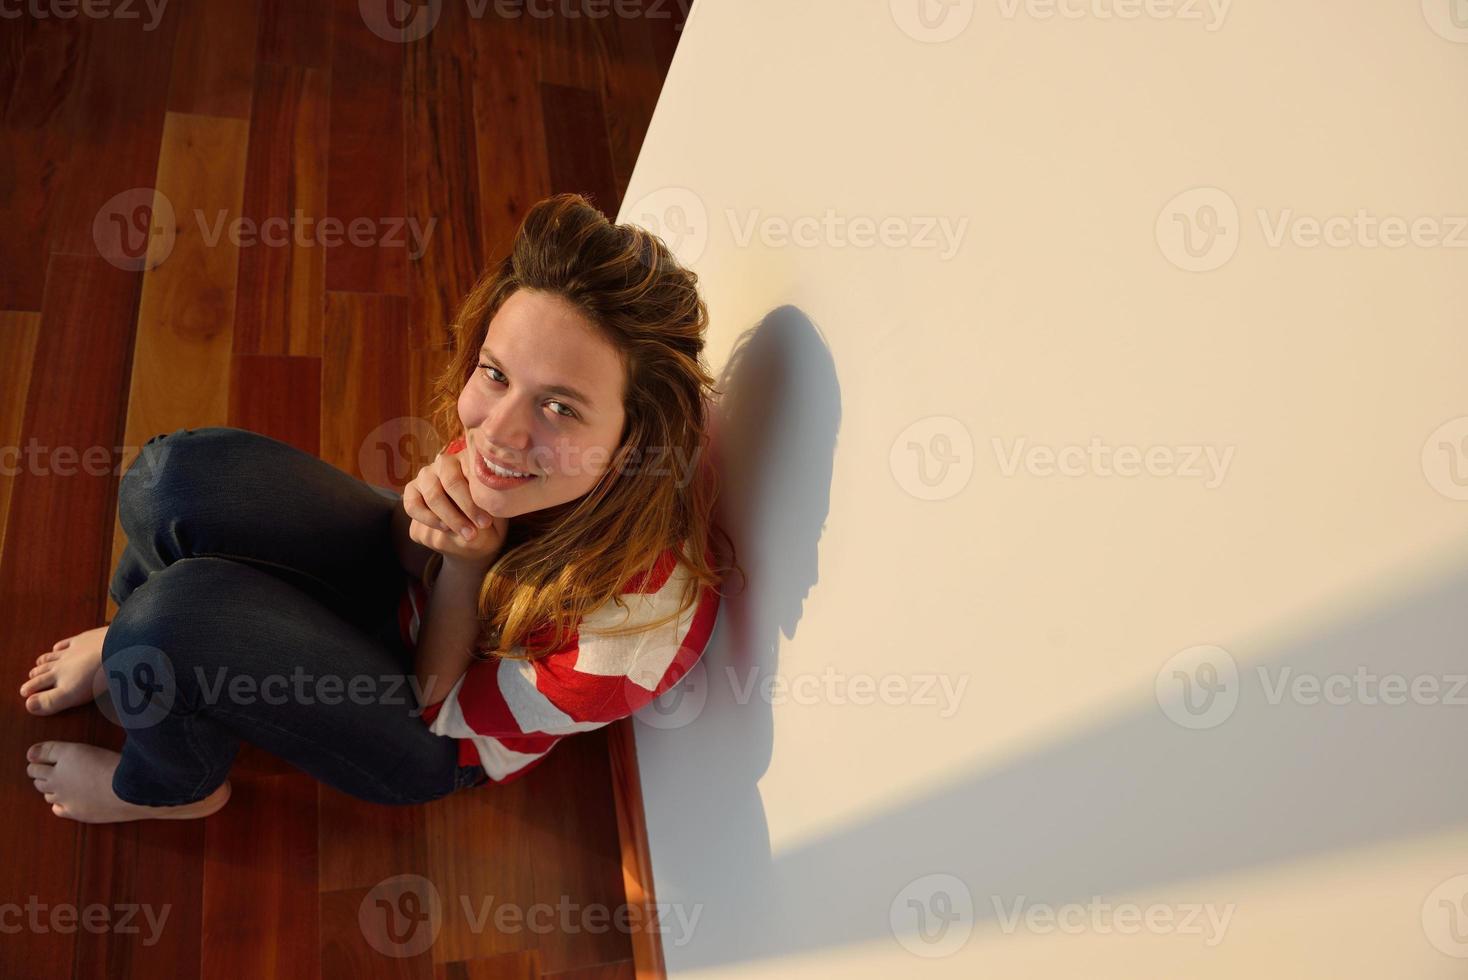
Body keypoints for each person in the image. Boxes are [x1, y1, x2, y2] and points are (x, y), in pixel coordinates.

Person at [19, 193, 739, 823]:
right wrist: (430, 525)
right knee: (167, 479)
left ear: (632, 438)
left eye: (559, 406)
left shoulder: (635, 636)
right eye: (495, 373)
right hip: (422, 591)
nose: (497, 431)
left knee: (173, 623)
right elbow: (405, 545)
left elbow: (435, 700)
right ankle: (131, 655)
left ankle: (170, 784)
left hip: (434, 726)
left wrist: (463, 565)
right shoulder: (517, 435)